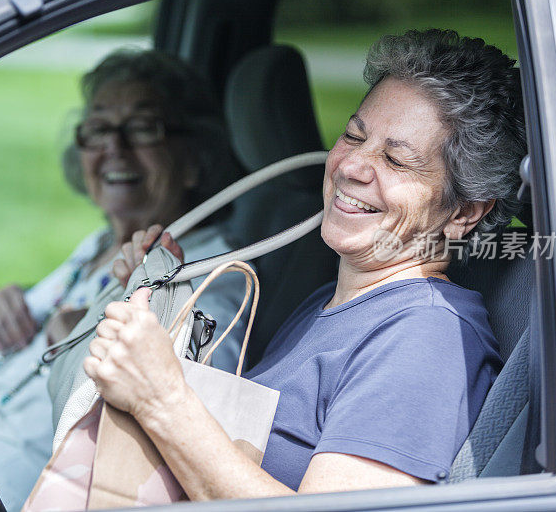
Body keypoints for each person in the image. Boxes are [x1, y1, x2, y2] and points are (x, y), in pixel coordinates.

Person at [82, 29, 525, 497]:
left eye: (396, 160)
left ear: (464, 212)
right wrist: (161, 298)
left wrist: (161, 399)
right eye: (353, 136)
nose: (351, 166)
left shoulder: (425, 340)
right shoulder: (332, 303)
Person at [0, 49, 249, 510]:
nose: (114, 147)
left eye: (143, 127)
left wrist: (77, 335)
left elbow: (187, 400)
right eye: (99, 128)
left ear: (194, 157)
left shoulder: (213, 270)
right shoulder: (96, 246)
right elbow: (33, 332)